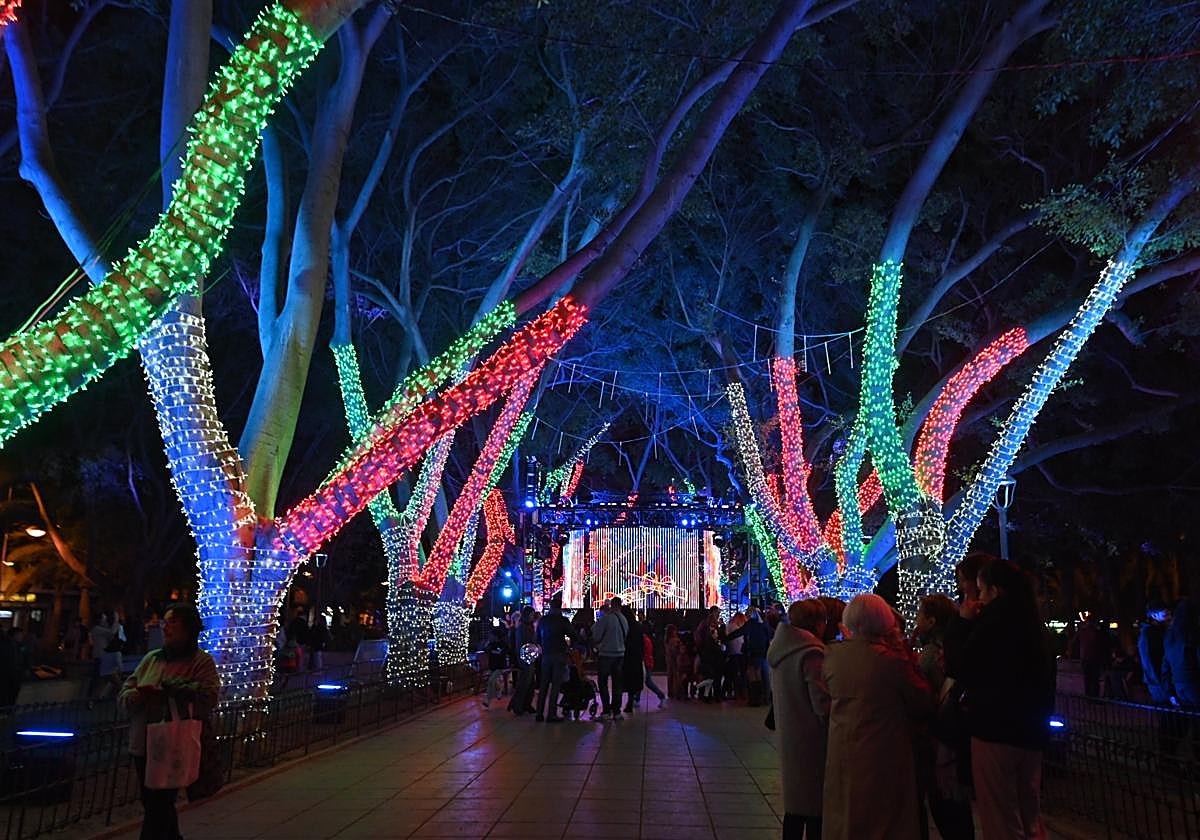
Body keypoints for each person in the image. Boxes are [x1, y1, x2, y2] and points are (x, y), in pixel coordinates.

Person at [945, 558, 1055, 840]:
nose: (977, 596)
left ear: (995, 591)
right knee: (1028, 810)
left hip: (995, 730)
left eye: (981, 590)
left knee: (1000, 815)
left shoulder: (993, 624)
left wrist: (962, 623)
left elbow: (962, 666)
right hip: (1030, 732)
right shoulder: (1032, 625)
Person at [823, 594, 934, 840]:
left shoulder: (833, 657)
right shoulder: (890, 661)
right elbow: (921, 699)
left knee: (847, 813)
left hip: (843, 746)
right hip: (884, 749)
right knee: (883, 818)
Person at [119, 604, 220, 840]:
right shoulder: (152, 659)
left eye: (173, 621)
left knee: (159, 803)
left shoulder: (200, 662)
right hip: (144, 741)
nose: (167, 627)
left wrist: (176, 690)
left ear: (188, 628)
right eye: (165, 622)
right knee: (154, 803)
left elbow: (209, 697)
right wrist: (138, 695)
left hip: (174, 744)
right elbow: (127, 691)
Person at [914, 595, 974, 840]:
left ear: (931, 620)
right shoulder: (954, 645)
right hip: (955, 732)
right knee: (955, 802)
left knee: (943, 800)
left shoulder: (930, 653)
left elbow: (919, 692)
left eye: (920, 614)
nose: (916, 619)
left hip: (940, 733)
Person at [769, 599, 830, 840]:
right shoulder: (811, 653)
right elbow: (822, 705)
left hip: (791, 734)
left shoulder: (781, 649)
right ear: (816, 623)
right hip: (812, 739)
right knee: (816, 808)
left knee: (795, 808)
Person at [536, 594, 574, 722]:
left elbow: (536, 639)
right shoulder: (562, 621)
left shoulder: (543, 621)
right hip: (559, 655)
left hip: (546, 655)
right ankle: (551, 714)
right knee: (556, 685)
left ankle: (539, 713)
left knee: (544, 684)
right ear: (560, 608)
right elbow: (573, 634)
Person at [592, 596, 629, 720]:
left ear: (611, 605)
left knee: (603, 683)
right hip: (620, 655)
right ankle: (617, 711)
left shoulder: (606, 619)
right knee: (617, 683)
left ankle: (606, 711)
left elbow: (596, 635)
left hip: (606, 655)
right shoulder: (624, 619)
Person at [728, 608, 771, 705]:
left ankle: (754, 699)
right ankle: (763, 698)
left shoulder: (750, 624)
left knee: (751, 674)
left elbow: (738, 633)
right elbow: (768, 637)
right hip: (762, 653)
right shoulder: (763, 624)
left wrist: (725, 639)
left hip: (752, 652)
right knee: (760, 674)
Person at [1069, 615, 1111, 698]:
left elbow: (1073, 642)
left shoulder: (1082, 632)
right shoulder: (1097, 632)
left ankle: (1088, 696)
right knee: (1095, 679)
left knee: (1087, 679)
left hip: (1085, 658)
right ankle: (1095, 697)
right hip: (1095, 658)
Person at [508, 606, 538, 716]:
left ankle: (525, 704)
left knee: (530, 682)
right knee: (525, 682)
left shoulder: (528, 627)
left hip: (529, 656)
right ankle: (518, 705)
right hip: (525, 657)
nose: (532, 617)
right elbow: (523, 645)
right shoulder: (522, 628)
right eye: (531, 615)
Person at [481, 624, 513, 708]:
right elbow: (484, 649)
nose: (490, 637)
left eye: (491, 635)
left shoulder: (503, 644)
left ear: (496, 636)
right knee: (493, 681)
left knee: (491, 681)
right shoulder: (490, 644)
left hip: (500, 667)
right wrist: (487, 643)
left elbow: (508, 652)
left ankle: (487, 700)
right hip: (492, 666)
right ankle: (499, 690)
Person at [622, 605, 644, 713]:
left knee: (622, 680)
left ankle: (617, 704)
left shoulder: (624, 625)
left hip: (625, 655)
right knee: (633, 681)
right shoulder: (638, 626)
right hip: (636, 656)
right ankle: (630, 701)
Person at [641, 619, 667, 707]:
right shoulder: (648, 638)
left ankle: (662, 696)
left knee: (647, 681)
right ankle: (635, 699)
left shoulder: (644, 639)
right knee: (643, 681)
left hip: (646, 662)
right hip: (648, 662)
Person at [665, 624, 682, 699]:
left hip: (668, 659)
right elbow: (675, 650)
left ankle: (670, 692)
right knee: (676, 676)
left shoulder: (666, 640)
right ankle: (677, 692)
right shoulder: (675, 640)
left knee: (670, 676)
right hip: (674, 659)